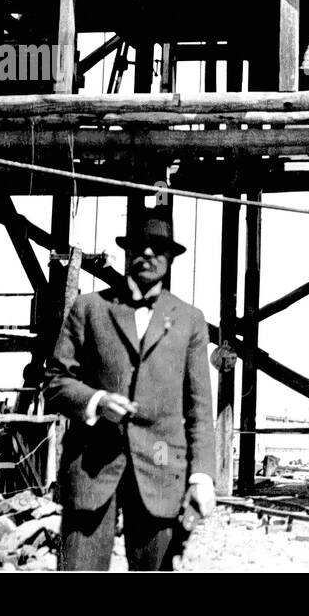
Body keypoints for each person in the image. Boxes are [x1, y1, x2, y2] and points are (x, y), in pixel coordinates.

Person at [43, 213, 216, 571]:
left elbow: (199, 409)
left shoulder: (189, 320)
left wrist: (202, 477)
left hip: (162, 470)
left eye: (160, 249)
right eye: (140, 246)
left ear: (170, 260)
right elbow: (56, 382)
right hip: (91, 471)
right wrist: (97, 401)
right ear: (127, 252)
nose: (149, 253)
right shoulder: (89, 309)